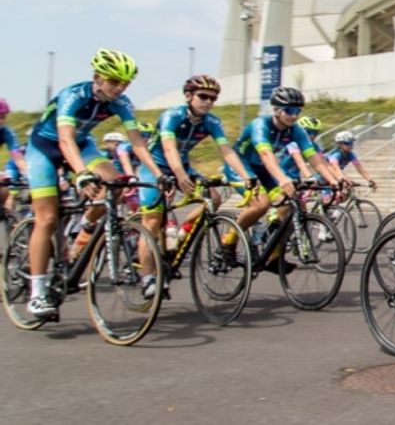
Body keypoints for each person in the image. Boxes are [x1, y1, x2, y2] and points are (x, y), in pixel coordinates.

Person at [23, 49, 163, 318]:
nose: (119, 88)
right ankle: (37, 293)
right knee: (47, 218)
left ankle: (85, 226)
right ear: (97, 77)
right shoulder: (73, 95)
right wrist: (82, 173)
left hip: (82, 144)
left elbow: (137, 142)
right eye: (114, 81)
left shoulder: (122, 103)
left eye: (125, 83)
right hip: (45, 147)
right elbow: (64, 140)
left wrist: (158, 173)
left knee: (115, 184)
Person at [135, 74, 255, 299]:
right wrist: (179, 175)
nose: (208, 102)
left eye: (213, 98)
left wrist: (246, 176)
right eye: (203, 96)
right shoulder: (172, 116)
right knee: (151, 222)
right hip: (156, 168)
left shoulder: (212, 122)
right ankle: (147, 278)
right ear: (188, 96)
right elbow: (169, 148)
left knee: (214, 199)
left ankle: (181, 234)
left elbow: (226, 150)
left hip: (183, 164)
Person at [219, 86, 345, 273]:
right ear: (276, 110)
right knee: (261, 204)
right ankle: (228, 242)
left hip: (264, 170)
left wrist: (333, 180)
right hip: (242, 167)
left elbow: (314, 157)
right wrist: (283, 179)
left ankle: (273, 256)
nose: (294, 116)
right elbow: (265, 154)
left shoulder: (296, 130)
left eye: (298, 111)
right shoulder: (260, 125)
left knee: (293, 207)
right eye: (289, 111)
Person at [0, 98, 28, 214]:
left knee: (5, 190)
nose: (1, 121)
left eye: (3, 117)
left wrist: (29, 175)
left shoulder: (7, 133)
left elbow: (18, 157)